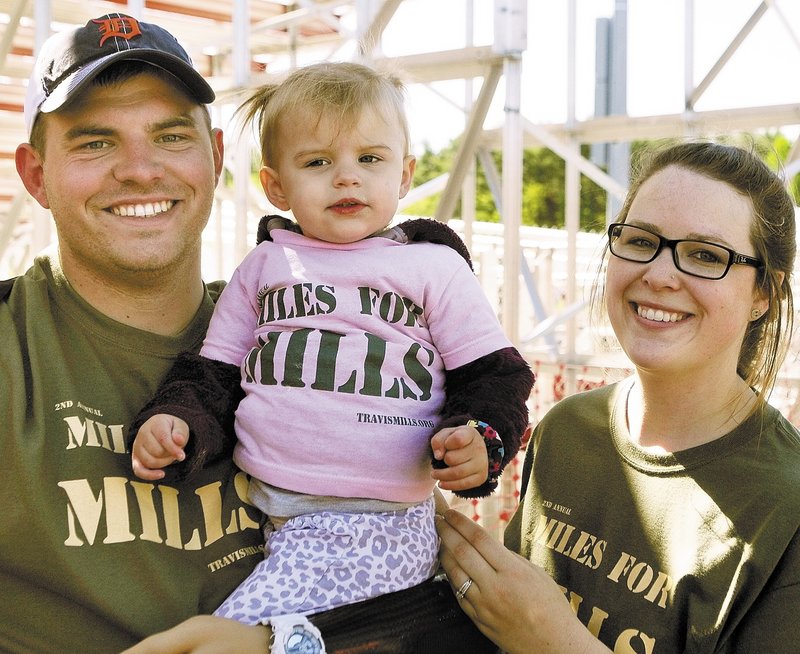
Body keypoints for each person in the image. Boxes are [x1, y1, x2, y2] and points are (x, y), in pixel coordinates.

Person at [129, 61, 534, 629]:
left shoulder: (431, 266)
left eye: (370, 159)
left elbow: (495, 375)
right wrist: (176, 421)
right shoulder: (264, 265)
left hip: (377, 523)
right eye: (318, 162)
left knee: (220, 639)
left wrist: (482, 437)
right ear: (275, 185)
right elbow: (213, 376)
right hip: (271, 515)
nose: (347, 178)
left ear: (405, 174)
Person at [436, 140, 800, 653]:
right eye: (641, 240)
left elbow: (531, 629)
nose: (659, 274)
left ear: (763, 293)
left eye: (705, 255)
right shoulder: (567, 428)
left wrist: (554, 640)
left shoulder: (785, 510)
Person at [1, 13, 267, 653]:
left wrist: (283, 644)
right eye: (96, 143)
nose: (141, 171)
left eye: (172, 136)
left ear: (217, 156)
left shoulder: (304, 338)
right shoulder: (12, 352)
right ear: (36, 175)